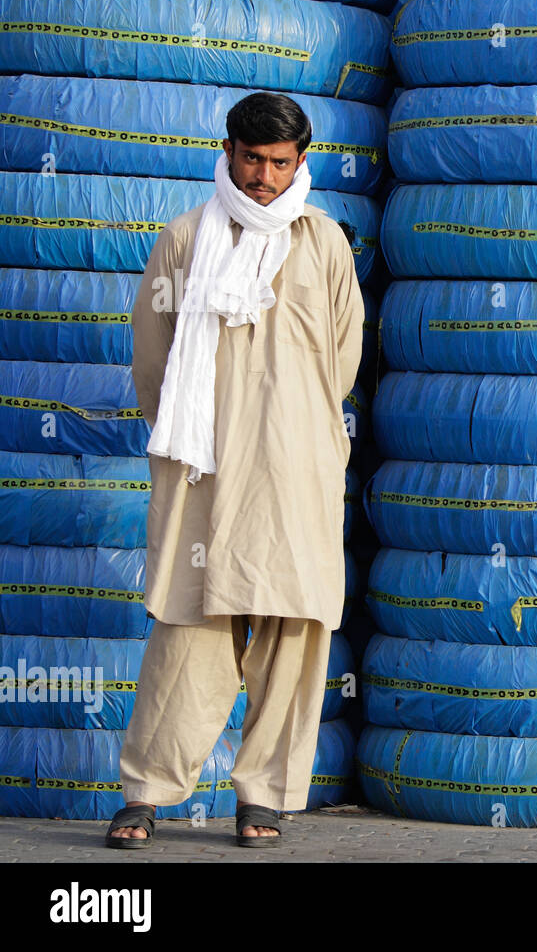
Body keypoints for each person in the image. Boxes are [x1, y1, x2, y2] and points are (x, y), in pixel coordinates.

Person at [104, 92, 364, 848]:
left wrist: (296, 429)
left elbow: (340, 360)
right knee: (190, 625)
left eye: (280, 164)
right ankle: (147, 792)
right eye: (252, 159)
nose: (263, 178)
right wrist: (199, 431)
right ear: (229, 150)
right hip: (206, 472)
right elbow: (153, 361)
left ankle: (264, 797)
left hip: (296, 469)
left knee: (291, 629)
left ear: (300, 163)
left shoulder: (324, 244)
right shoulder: (185, 239)